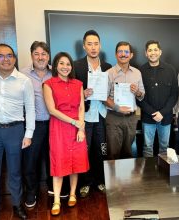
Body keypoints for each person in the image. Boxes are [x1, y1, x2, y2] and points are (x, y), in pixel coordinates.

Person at [0, 43, 35, 220]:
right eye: (0, 56)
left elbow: (30, 109)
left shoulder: (24, 81)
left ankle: (17, 204)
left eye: (9, 56)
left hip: (15, 130)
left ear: (14, 58)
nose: (5, 59)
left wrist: (28, 134)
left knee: (15, 171)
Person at [43, 52, 89, 216]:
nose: (65, 67)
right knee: (59, 163)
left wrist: (81, 128)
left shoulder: (78, 83)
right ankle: (56, 200)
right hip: (59, 128)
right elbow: (52, 110)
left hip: (77, 128)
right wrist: (74, 122)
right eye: (61, 64)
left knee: (75, 163)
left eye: (68, 64)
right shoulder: (48, 84)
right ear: (56, 66)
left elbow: (81, 108)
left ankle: (72, 194)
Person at [74, 30, 112, 197]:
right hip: (85, 116)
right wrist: (82, 94)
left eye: (96, 43)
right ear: (84, 46)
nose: (93, 47)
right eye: (89, 44)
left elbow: (112, 92)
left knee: (101, 149)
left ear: (100, 45)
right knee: (84, 151)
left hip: (102, 114)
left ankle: (101, 180)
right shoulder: (76, 66)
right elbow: (69, 93)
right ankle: (85, 183)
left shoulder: (108, 67)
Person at [20, 41, 53, 208]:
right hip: (33, 125)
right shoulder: (22, 74)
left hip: (54, 123)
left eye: (44, 54)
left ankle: (53, 187)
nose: (40, 57)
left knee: (52, 157)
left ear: (48, 56)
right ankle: (31, 192)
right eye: (36, 54)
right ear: (31, 55)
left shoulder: (56, 73)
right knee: (30, 161)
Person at [137, 40, 179, 157]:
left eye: (155, 50)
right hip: (147, 117)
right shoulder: (140, 71)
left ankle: (162, 174)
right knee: (147, 148)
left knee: (164, 148)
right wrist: (153, 113)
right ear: (146, 53)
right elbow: (139, 97)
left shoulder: (170, 70)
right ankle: (148, 174)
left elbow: (174, 95)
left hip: (165, 117)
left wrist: (162, 113)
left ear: (160, 52)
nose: (153, 53)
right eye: (150, 50)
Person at [105, 41, 145, 159]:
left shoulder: (137, 73)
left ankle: (126, 178)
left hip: (131, 119)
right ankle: (113, 178)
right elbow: (103, 97)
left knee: (128, 154)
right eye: (120, 51)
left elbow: (142, 95)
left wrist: (137, 91)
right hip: (114, 118)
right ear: (116, 54)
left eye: (126, 51)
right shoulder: (108, 73)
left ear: (131, 55)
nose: (123, 54)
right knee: (113, 153)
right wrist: (118, 108)